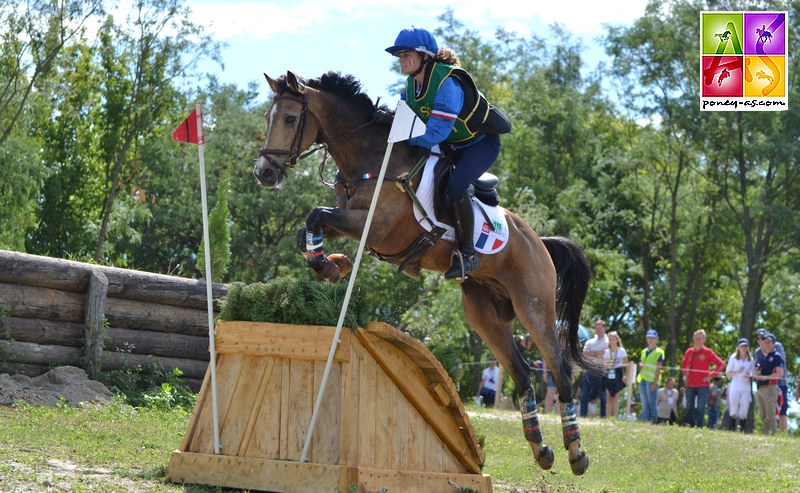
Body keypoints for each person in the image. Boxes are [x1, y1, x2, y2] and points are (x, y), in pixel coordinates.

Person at [385, 26, 509, 280]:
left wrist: (404, 134)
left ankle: (468, 254)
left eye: (406, 53)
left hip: (480, 144)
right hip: (452, 146)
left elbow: (434, 135)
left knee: (455, 186)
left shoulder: (449, 82)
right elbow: (399, 117)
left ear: (425, 57)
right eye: (399, 55)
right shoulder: (411, 87)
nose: (400, 59)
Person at [681, 329, 727, 428]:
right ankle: (691, 427)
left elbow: (721, 364)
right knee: (689, 407)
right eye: (696, 338)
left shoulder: (708, 352)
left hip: (703, 385)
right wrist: (685, 372)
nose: (698, 340)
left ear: (704, 340)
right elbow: (684, 364)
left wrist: (711, 375)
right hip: (690, 384)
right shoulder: (689, 351)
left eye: (700, 339)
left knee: (701, 408)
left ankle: (700, 428)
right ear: (693, 339)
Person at [753, 328, 788, 432]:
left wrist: (765, 377)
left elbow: (780, 368)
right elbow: (758, 369)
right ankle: (766, 434)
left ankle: (783, 434)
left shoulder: (777, 348)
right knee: (765, 413)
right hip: (764, 386)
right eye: (758, 338)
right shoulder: (758, 352)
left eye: (762, 337)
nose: (760, 340)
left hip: (779, 383)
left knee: (781, 410)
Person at [579, 320, 609, 418]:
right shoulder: (589, 341)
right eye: (596, 328)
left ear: (604, 328)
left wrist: (592, 354)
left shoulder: (608, 341)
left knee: (603, 397)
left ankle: (603, 416)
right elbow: (584, 355)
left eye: (600, 328)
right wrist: (598, 354)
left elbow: (605, 354)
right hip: (589, 371)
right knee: (585, 395)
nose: (598, 330)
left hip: (602, 372)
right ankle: (583, 415)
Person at [725, 337, 754, 432]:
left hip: (746, 387)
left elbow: (753, 374)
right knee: (733, 409)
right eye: (742, 346)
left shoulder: (750, 360)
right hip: (735, 386)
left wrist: (749, 376)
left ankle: (742, 430)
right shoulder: (733, 358)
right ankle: (731, 429)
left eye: (746, 346)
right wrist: (737, 372)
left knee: (744, 410)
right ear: (738, 347)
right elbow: (728, 373)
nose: (744, 348)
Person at [637, 329, 664, 424]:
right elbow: (643, 362)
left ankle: (653, 423)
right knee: (644, 404)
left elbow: (658, 369)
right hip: (643, 379)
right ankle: (644, 422)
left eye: (652, 338)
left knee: (652, 403)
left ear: (656, 339)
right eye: (648, 337)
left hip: (652, 381)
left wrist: (655, 383)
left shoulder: (659, 352)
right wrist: (640, 364)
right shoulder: (643, 351)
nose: (650, 339)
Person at [602, 331, 629, 420]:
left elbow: (626, 364)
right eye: (610, 339)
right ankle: (608, 417)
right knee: (608, 397)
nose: (611, 341)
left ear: (617, 340)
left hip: (618, 373)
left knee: (616, 397)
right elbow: (604, 364)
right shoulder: (607, 352)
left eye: (613, 339)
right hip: (609, 373)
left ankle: (616, 417)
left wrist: (626, 376)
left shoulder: (621, 351)